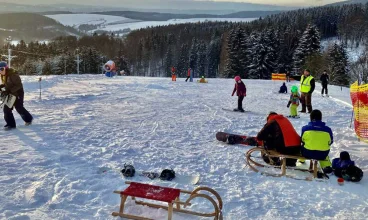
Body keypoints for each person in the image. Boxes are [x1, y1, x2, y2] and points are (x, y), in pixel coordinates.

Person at [0, 61, 33, 130]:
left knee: (19, 107)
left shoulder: (13, 74)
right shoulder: (3, 75)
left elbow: (18, 85)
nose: (0, 71)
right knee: (6, 108)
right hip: (10, 93)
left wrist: (9, 91)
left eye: (2, 69)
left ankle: (28, 119)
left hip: (18, 93)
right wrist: (2, 86)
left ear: (6, 68)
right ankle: (11, 125)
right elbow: (7, 84)